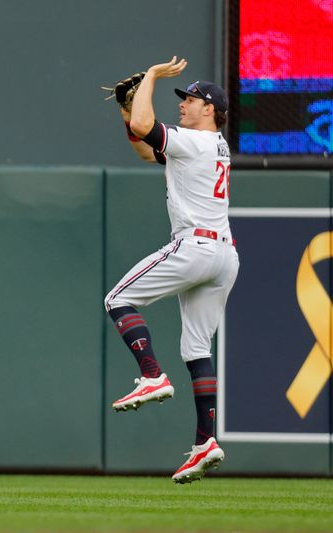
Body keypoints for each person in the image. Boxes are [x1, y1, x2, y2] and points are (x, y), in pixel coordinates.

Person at [104, 57, 239, 484]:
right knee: (197, 349)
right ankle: (205, 442)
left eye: (192, 99)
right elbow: (146, 148)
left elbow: (148, 128)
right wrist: (128, 110)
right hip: (224, 254)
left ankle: (151, 375)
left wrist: (150, 79)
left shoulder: (198, 142)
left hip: (195, 245)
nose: (183, 104)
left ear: (211, 110)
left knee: (118, 298)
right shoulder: (212, 146)